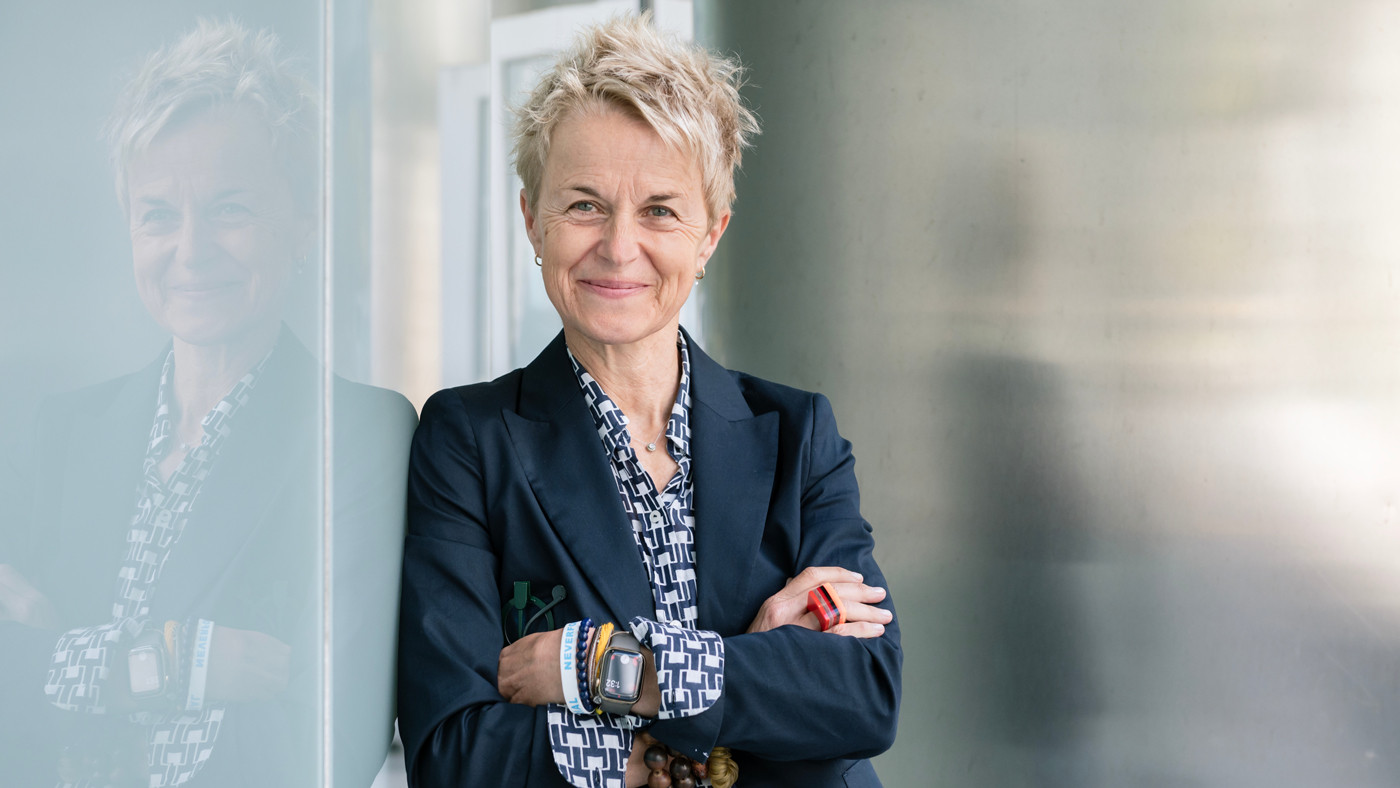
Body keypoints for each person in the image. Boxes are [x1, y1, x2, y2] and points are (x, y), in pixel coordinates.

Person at [397, 15, 901, 788]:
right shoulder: (467, 441)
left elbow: (862, 698)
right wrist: (753, 662)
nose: (618, 246)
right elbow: (458, 753)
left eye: (660, 209)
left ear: (710, 235)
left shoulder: (800, 437)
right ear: (532, 219)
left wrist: (593, 664)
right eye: (584, 205)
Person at [0, 19, 414, 787]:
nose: (190, 251)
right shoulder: (61, 435)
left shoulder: (360, 438)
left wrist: (61, 665)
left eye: (230, 209)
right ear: (130, 224)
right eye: (159, 213)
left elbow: (332, 741)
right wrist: (171, 665)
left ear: (304, 220)